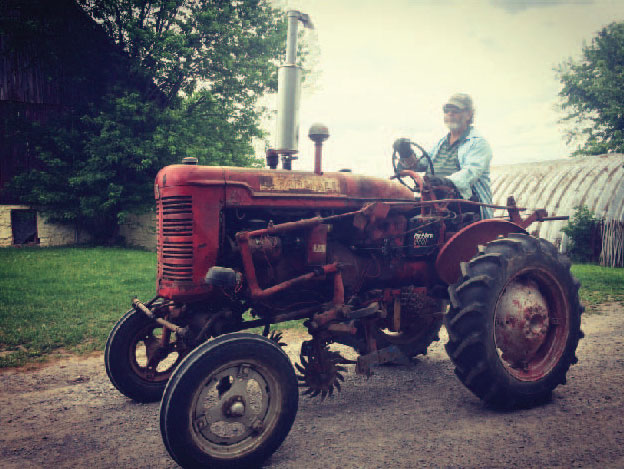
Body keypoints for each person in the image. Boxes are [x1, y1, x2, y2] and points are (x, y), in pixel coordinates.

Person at [402, 93, 493, 219]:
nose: (450, 114)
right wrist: (405, 153)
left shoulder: (478, 143)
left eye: (455, 111)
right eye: (447, 111)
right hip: (434, 198)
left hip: (462, 202)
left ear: (468, 114)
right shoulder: (441, 142)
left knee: (423, 226)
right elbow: (420, 164)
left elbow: (470, 173)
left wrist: (446, 181)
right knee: (401, 211)